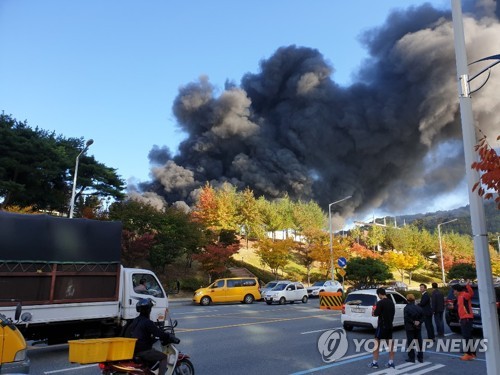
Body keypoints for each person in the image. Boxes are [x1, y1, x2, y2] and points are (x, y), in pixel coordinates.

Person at [127, 298, 178, 374]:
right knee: (164, 357)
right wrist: (169, 336)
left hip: (134, 350)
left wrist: (152, 339)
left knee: (153, 351)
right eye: (150, 308)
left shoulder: (135, 320)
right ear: (148, 310)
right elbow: (159, 333)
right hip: (143, 351)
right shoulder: (148, 322)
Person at [369, 288, 396, 369]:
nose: (378, 296)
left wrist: (374, 310)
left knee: (376, 344)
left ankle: (375, 363)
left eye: (378, 295)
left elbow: (375, 314)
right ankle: (391, 362)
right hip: (389, 326)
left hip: (382, 326)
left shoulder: (380, 302)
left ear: (380, 294)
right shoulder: (391, 303)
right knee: (390, 344)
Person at [452, 282, 476, 361]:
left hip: (467, 318)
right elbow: (459, 309)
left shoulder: (464, 295)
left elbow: (471, 294)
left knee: (466, 336)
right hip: (464, 318)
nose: (453, 292)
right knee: (468, 336)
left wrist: (467, 285)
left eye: (454, 290)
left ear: (457, 290)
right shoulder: (459, 297)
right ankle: (472, 353)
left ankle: (469, 354)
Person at [404, 294, 424, 363]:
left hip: (410, 327)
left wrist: (413, 322)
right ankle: (420, 357)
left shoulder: (406, 308)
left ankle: (411, 357)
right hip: (418, 327)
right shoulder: (419, 308)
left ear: (407, 300)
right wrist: (419, 322)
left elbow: (406, 318)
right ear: (414, 300)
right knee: (419, 342)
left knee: (410, 342)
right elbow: (423, 317)